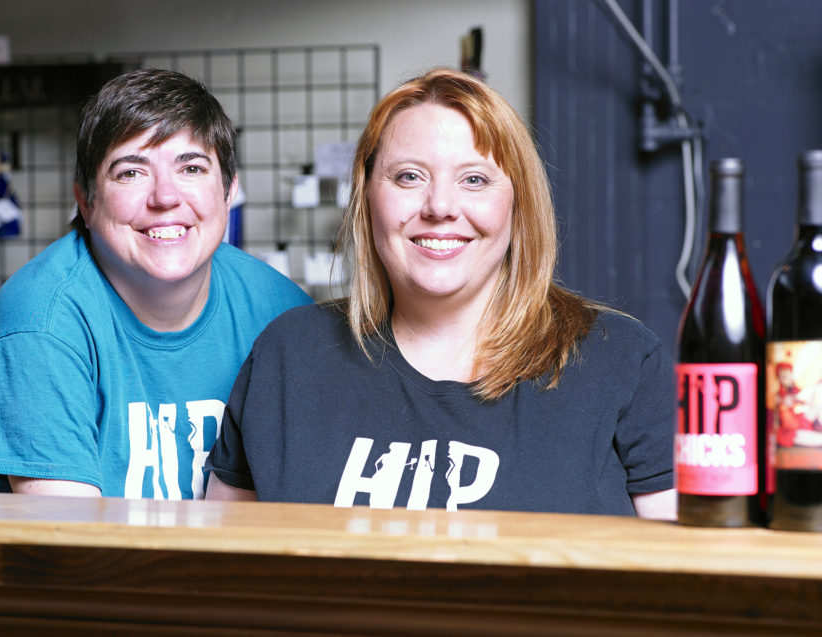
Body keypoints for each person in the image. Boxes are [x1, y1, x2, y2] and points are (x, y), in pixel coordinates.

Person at [205, 68, 677, 519]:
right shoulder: (289, 357)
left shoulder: (620, 361)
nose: (440, 207)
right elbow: (223, 568)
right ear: (367, 196)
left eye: (474, 179)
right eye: (409, 176)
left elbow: (685, 575)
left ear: (519, 203)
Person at [0, 68, 312, 498]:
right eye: (130, 173)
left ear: (229, 191)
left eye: (192, 168)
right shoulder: (39, 324)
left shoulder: (284, 313)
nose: (165, 197)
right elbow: (70, 549)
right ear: (85, 201)